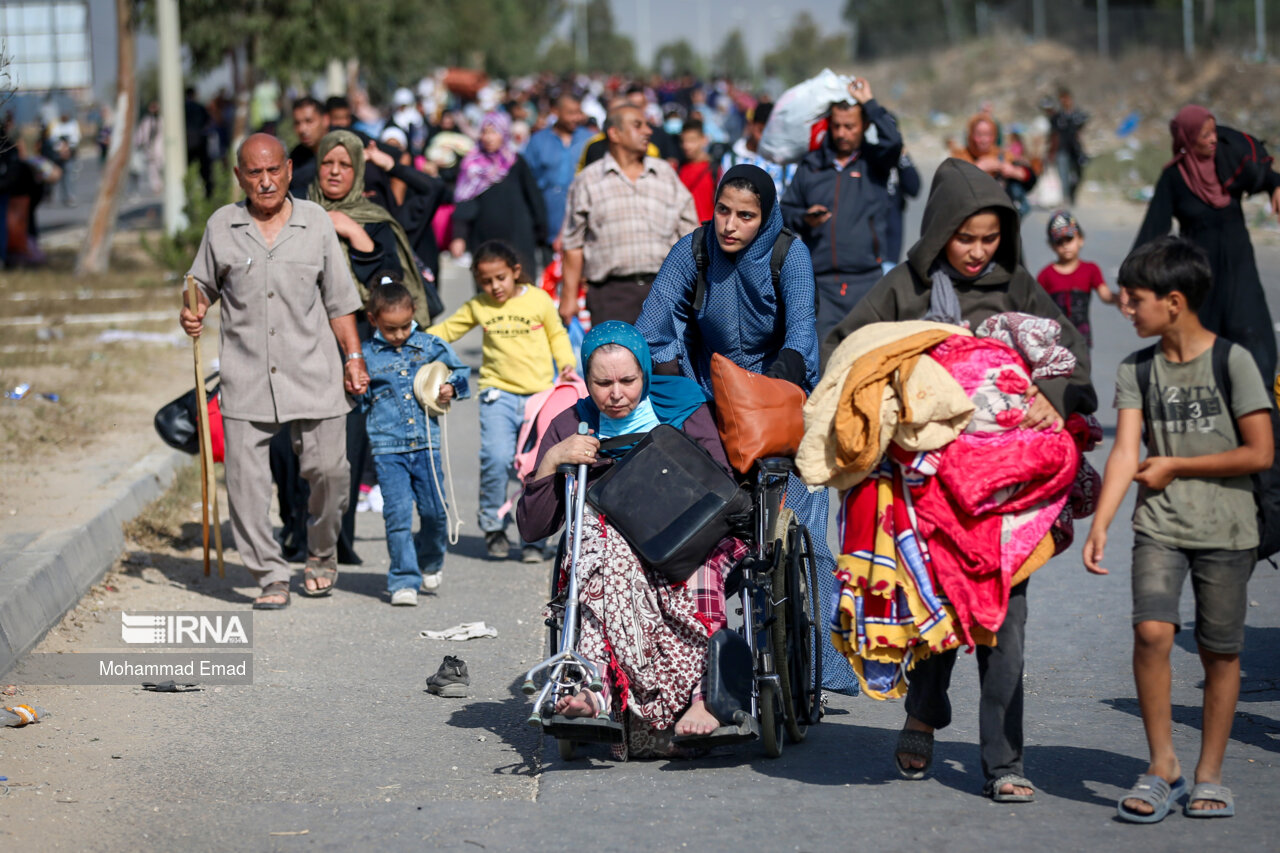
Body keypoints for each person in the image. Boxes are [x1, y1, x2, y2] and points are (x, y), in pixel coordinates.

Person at [824, 158, 1096, 802]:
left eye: (990, 238)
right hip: (929, 494)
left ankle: (1005, 763)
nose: (978, 252)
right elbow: (847, 347)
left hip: (1010, 496)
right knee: (936, 611)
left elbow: (1072, 353)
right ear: (940, 229)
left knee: (1005, 623)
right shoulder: (905, 289)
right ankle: (924, 712)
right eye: (965, 237)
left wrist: (1051, 393)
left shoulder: (1018, 287)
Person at [636, 164, 859, 697]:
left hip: (780, 400)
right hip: (710, 404)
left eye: (746, 216)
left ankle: (819, 668)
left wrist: (763, 394)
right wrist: (677, 380)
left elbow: (802, 336)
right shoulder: (692, 251)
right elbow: (652, 322)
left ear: (767, 217)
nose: (731, 225)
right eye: (724, 212)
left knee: (808, 541)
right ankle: (696, 661)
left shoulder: (789, 254)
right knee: (706, 538)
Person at [1084, 236, 1273, 822]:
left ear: (1173, 301)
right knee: (1152, 635)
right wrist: (1103, 523)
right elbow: (1125, 454)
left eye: (1134, 299)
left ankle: (1209, 773)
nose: (1125, 308)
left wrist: (1177, 465)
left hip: (1227, 528)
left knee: (1220, 652)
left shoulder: (1232, 362)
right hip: (1159, 526)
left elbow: (1260, 452)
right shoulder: (1137, 368)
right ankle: (1161, 763)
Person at [515, 321, 742, 757]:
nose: (616, 393)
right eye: (602, 383)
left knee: (690, 576)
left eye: (627, 380)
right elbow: (533, 528)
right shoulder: (572, 422)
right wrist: (553, 459)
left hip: (691, 537)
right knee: (600, 559)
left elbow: (721, 486)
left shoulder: (681, 406)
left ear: (645, 375)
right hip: (610, 544)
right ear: (586, 380)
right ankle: (596, 687)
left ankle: (703, 694)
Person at [180, 133, 368, 610]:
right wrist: (194, 308)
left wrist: (353, 358)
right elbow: (200, 283)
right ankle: (270, 573)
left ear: (288, 170)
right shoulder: (222, 225)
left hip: (314, 369)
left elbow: (341, 301)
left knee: (330, 471)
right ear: (240, 176)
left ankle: (321, 553)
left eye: (272, 171)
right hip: (246, 374)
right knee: (245, 483)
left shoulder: (316, 222)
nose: (264, 182)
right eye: (253, 173)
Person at [428, 241, 576, 562]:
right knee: (495, 459)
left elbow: (557, 335)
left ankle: (535, 536)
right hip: (498, 395)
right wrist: (415, 340)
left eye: (501, 278)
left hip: (540, 397)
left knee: (536, 467)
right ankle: (493, 525)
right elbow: (447, 330)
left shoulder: (538, 300)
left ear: (515, 273)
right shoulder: (479, 306)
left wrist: (566, 364)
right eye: (486, 281)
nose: (494, 287)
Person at [1132, 104, 1280, 384]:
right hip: (1199, 277)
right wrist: (1134, 281)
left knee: (1251, 337)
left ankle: (1262, 414)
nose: (1213, 140)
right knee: (1202, 344)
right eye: (1204, 135)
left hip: (1240, 269)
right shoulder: (1174, 178)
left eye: (1214, 132)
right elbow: (1153, 230)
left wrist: (1276, 186)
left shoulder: (1227, 161)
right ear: (1187, 139)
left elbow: (1262, 175)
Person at [360, 277, 471, 606]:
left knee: (435, 511)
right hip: (387, 447)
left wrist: (452, 386)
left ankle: (431, 560)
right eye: (391, 328)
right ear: (373, 321)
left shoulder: (430, 345)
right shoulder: (366, 356)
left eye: (405, 326)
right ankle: (402, 579)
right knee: (396, 514)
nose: (399, 335)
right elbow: (359, 400)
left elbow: (460, 372)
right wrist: (355, 389)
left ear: (414, 315)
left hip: (427, 444)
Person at [780, 77, 903, 343]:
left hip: (866, 282)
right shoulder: (811, 165)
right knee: (823, 363)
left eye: (850, 126)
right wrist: (804, 218)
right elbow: (784, 212)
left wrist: (869, 103)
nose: (842, 133)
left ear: (864, 126)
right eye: (836, 126)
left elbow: (893, 142)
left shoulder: (874, 163)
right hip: (821, 286)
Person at [560, 105, 699, 328]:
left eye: (646, 124)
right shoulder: (588, 181)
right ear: (615, 134)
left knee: (667, 363)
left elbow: (690, 235)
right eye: (638, 125)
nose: (648, 131)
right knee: (614, 362)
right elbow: (573, 244)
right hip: (611, 297)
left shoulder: (665, 174)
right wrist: (568, 297)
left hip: (665, 293)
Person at [448, 111, 547, 279]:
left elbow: (533, 198)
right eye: (484, 132)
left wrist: (541, 231)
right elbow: (465, 203)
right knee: (489, 292)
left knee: (521, 289)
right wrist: (459, 236)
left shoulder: (515, 162)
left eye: (494, 132)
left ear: (504, 133)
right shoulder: (471, 165)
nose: (488, 137)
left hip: (518, 238)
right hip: (484, 239)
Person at [522, 92, 593, 256]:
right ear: (556, 111)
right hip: (548, 220)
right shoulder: (538, 141)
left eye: (578, 112)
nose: (576, 117)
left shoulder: (589, 140)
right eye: (570, 113)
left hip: (581, 225)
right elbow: (528, 180)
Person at [1036, 210, 1116, 348]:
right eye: (1059, 242)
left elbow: (1105, 295)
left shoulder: (1090, 269)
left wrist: (1121, 299)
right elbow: (1036, 307)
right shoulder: (1046, 275)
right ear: (1052, 245)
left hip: (1082, 339)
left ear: (1080, 239)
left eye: (1069, 239)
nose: (1065, 245)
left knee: (1081, 369)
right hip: (1054, 342)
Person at [948, 113, 1035, 216]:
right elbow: (949, 185)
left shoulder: (1002, 155)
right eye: (979, 135)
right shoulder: (960, 157)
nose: (984, 140)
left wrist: (1013, 171)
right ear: (971, 135)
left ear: (994, 136)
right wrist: (977, 168)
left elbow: (1030, 178)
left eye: (988, 135)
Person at [719, 102, 796, 197]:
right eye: (761, 130)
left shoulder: (786, 161)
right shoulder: (731, 159)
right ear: (751, 125)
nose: (764, 137)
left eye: (770, 132)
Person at [1045, 88, 1088, 206]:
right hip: (1061, 149)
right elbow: (1053, 135)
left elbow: (1081, 132)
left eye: (1066, 98)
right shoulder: (1057, 117)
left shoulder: (1078, 115)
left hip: (1076, 150)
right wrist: (1051, 152)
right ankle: (1066, 198)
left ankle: (1072, 194)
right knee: (1063, 175)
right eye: (1062, 99)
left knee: (1078, 175)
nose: (1065, 101)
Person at [288, 96, 330, 196]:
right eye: (297, 123)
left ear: (325, 120)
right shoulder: (296, 156)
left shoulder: (346, 146)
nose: (302, 129)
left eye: (309, 121)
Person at [677, 118, 716, 222]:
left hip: (708, 230)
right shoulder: (678, 169)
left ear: (704, 140)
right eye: (683, 141)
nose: (686, 146)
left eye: (692, 140)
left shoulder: (715, 169)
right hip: (685, 232)